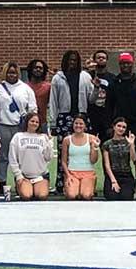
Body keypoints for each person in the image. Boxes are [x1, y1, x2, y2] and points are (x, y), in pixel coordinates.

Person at [49, 50, 96, 194]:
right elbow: (53, 101)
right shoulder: (58, 78)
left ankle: (86, 181)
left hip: (81, 116)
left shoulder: (85, 77)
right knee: (65, 151)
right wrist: (53, 123)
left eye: (75, 60)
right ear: (65, 61)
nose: (72, 62)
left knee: (83, 150)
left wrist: (97, 87)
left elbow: (92, 99)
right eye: (70, 60)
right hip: (64, 117)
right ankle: (61, 184)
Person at [0, 62, 38, 196]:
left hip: (20, 126)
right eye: (9, 72)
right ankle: (2, 183)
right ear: (5, 73)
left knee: (20, 156)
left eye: (14, 72)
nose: (12, 75)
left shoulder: (25, 88)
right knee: (3, 156)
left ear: (19, 73)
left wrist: (29, 123)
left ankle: (21, 182)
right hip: (2, 125)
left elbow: (32, 108)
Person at [9, 113, 54, 201]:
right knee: (26, 196)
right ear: (27, 122)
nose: (34, 123)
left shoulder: (43, 137)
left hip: (40, 176)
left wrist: (49, 144)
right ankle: (24, 187)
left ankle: (37, 188)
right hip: (24, 176)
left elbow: (48, 157)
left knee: (42, 196)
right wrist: (19, 176)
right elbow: (12, 158)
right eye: (32, 121)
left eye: (37, 122)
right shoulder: (18, 137)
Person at [60, 115, 100, 201]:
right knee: (71, 195)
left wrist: (95, 147)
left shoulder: (91, 138)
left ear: (85, 126)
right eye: (76, 123)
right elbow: (63, 161)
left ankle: (88, 186)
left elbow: (93, 160)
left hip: (88, 173)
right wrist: (68, 175)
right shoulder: (67, 140)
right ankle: (73, 188)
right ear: (73, 124)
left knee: (86, 195)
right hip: (72, 173)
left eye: (81, 124)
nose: (78, 126)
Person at [111, 52, 136, 133]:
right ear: (119, 65)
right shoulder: (114, 82)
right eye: (123, 63)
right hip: (119, 124)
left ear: (132, 64)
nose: (125, 65)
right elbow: (109, 104)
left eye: (128, 63)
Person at [102, 118, 136, 201]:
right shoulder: (107, 144)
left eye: (124, 127)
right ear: (114, 127)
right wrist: (113, 181)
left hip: (126, 175)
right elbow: (107, 165)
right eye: (119, 126)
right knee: (112, 197)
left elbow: (134, 159)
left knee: (126, 197)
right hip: (112, 175)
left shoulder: (128, 142)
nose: (121, 129)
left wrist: (132, 145)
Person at [88, 50, 116, 137]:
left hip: (107, 118)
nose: (101, 59)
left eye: (103, 58)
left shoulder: (112, 78)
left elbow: (114, 101)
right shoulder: (88, 76)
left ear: (107, 60)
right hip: (91, 116)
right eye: (98, 57)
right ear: (94, 60)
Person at [25, 59, 52, 133]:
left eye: (41, 68)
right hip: (27, 123)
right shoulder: (24, 86)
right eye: (36, 67)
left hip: (42, 123)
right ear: (31, 69)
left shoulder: (48, 87)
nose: (38, 69)